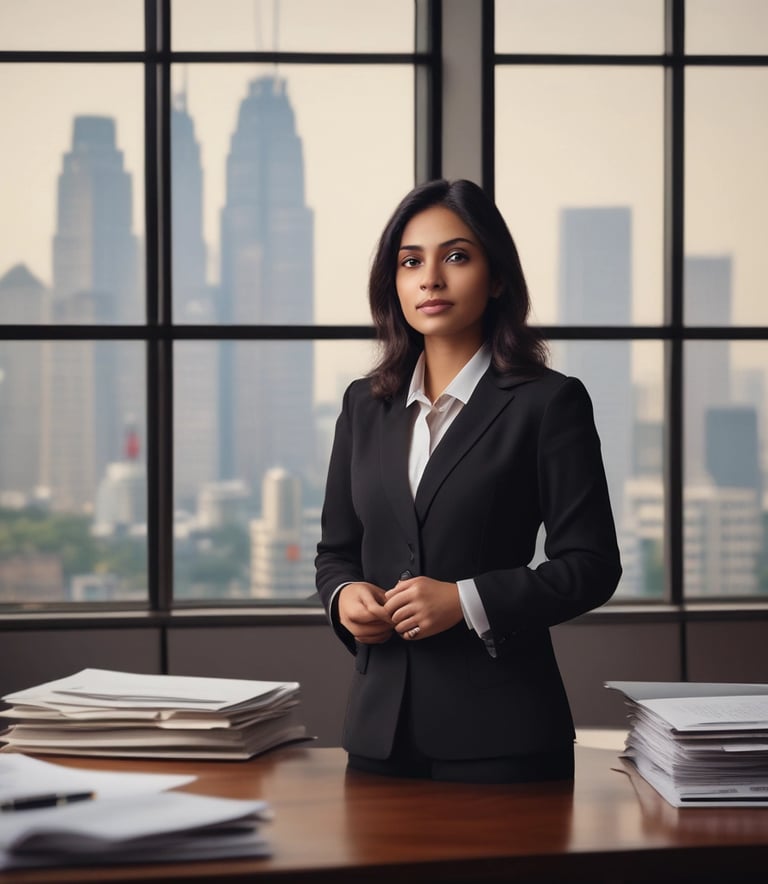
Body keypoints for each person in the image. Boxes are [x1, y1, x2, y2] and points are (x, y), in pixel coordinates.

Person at [315, 178, 621, 784]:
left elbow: (591, 565)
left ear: (498, 277)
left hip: (504, 738)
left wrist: (466, 601)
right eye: (411, 262)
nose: (430, 279)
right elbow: (336, 552)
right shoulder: (363, 406)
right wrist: (344, 597)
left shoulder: (548, 403)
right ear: (393, 282)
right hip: (378, 736)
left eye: (456, 257)